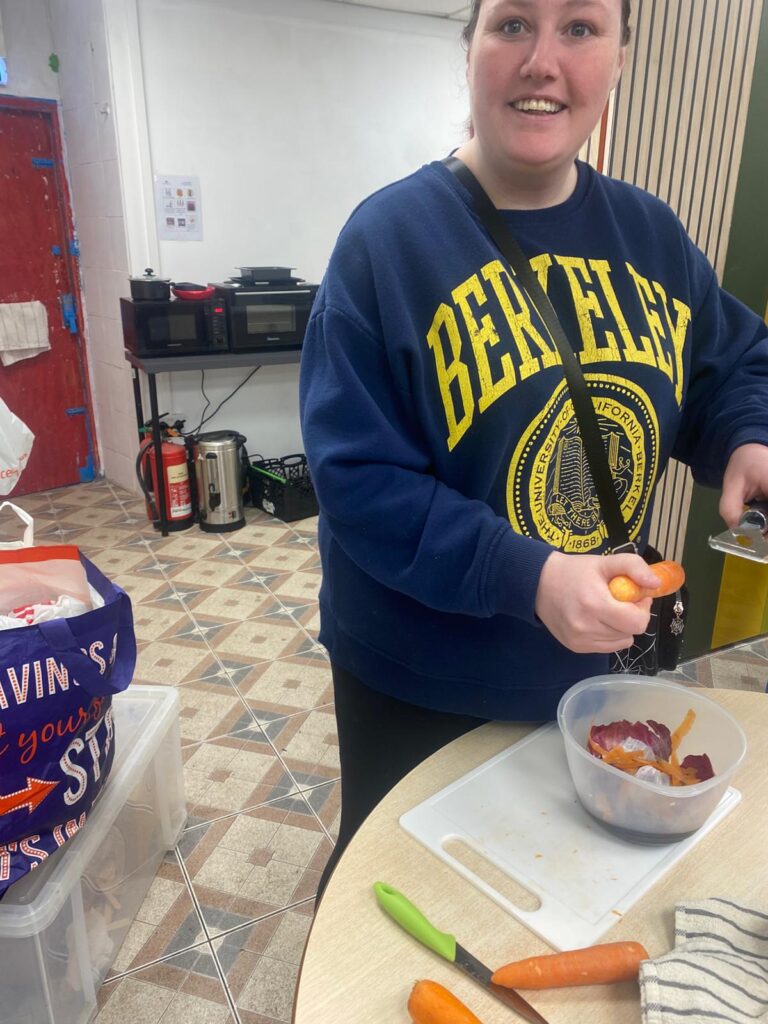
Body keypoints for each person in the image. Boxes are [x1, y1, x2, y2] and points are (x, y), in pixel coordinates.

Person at [299, 0, 768, 894]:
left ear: (621, 57)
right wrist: (528, 577)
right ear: (468, 48)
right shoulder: (386, 243)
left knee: (558, 895)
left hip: (596, 671)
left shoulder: (652, 236)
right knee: (407, 903)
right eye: (512, 23)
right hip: (422, 683)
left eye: (580, 29)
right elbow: (357, 482)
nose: (542, 61)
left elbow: (733, 364)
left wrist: (748, 437)